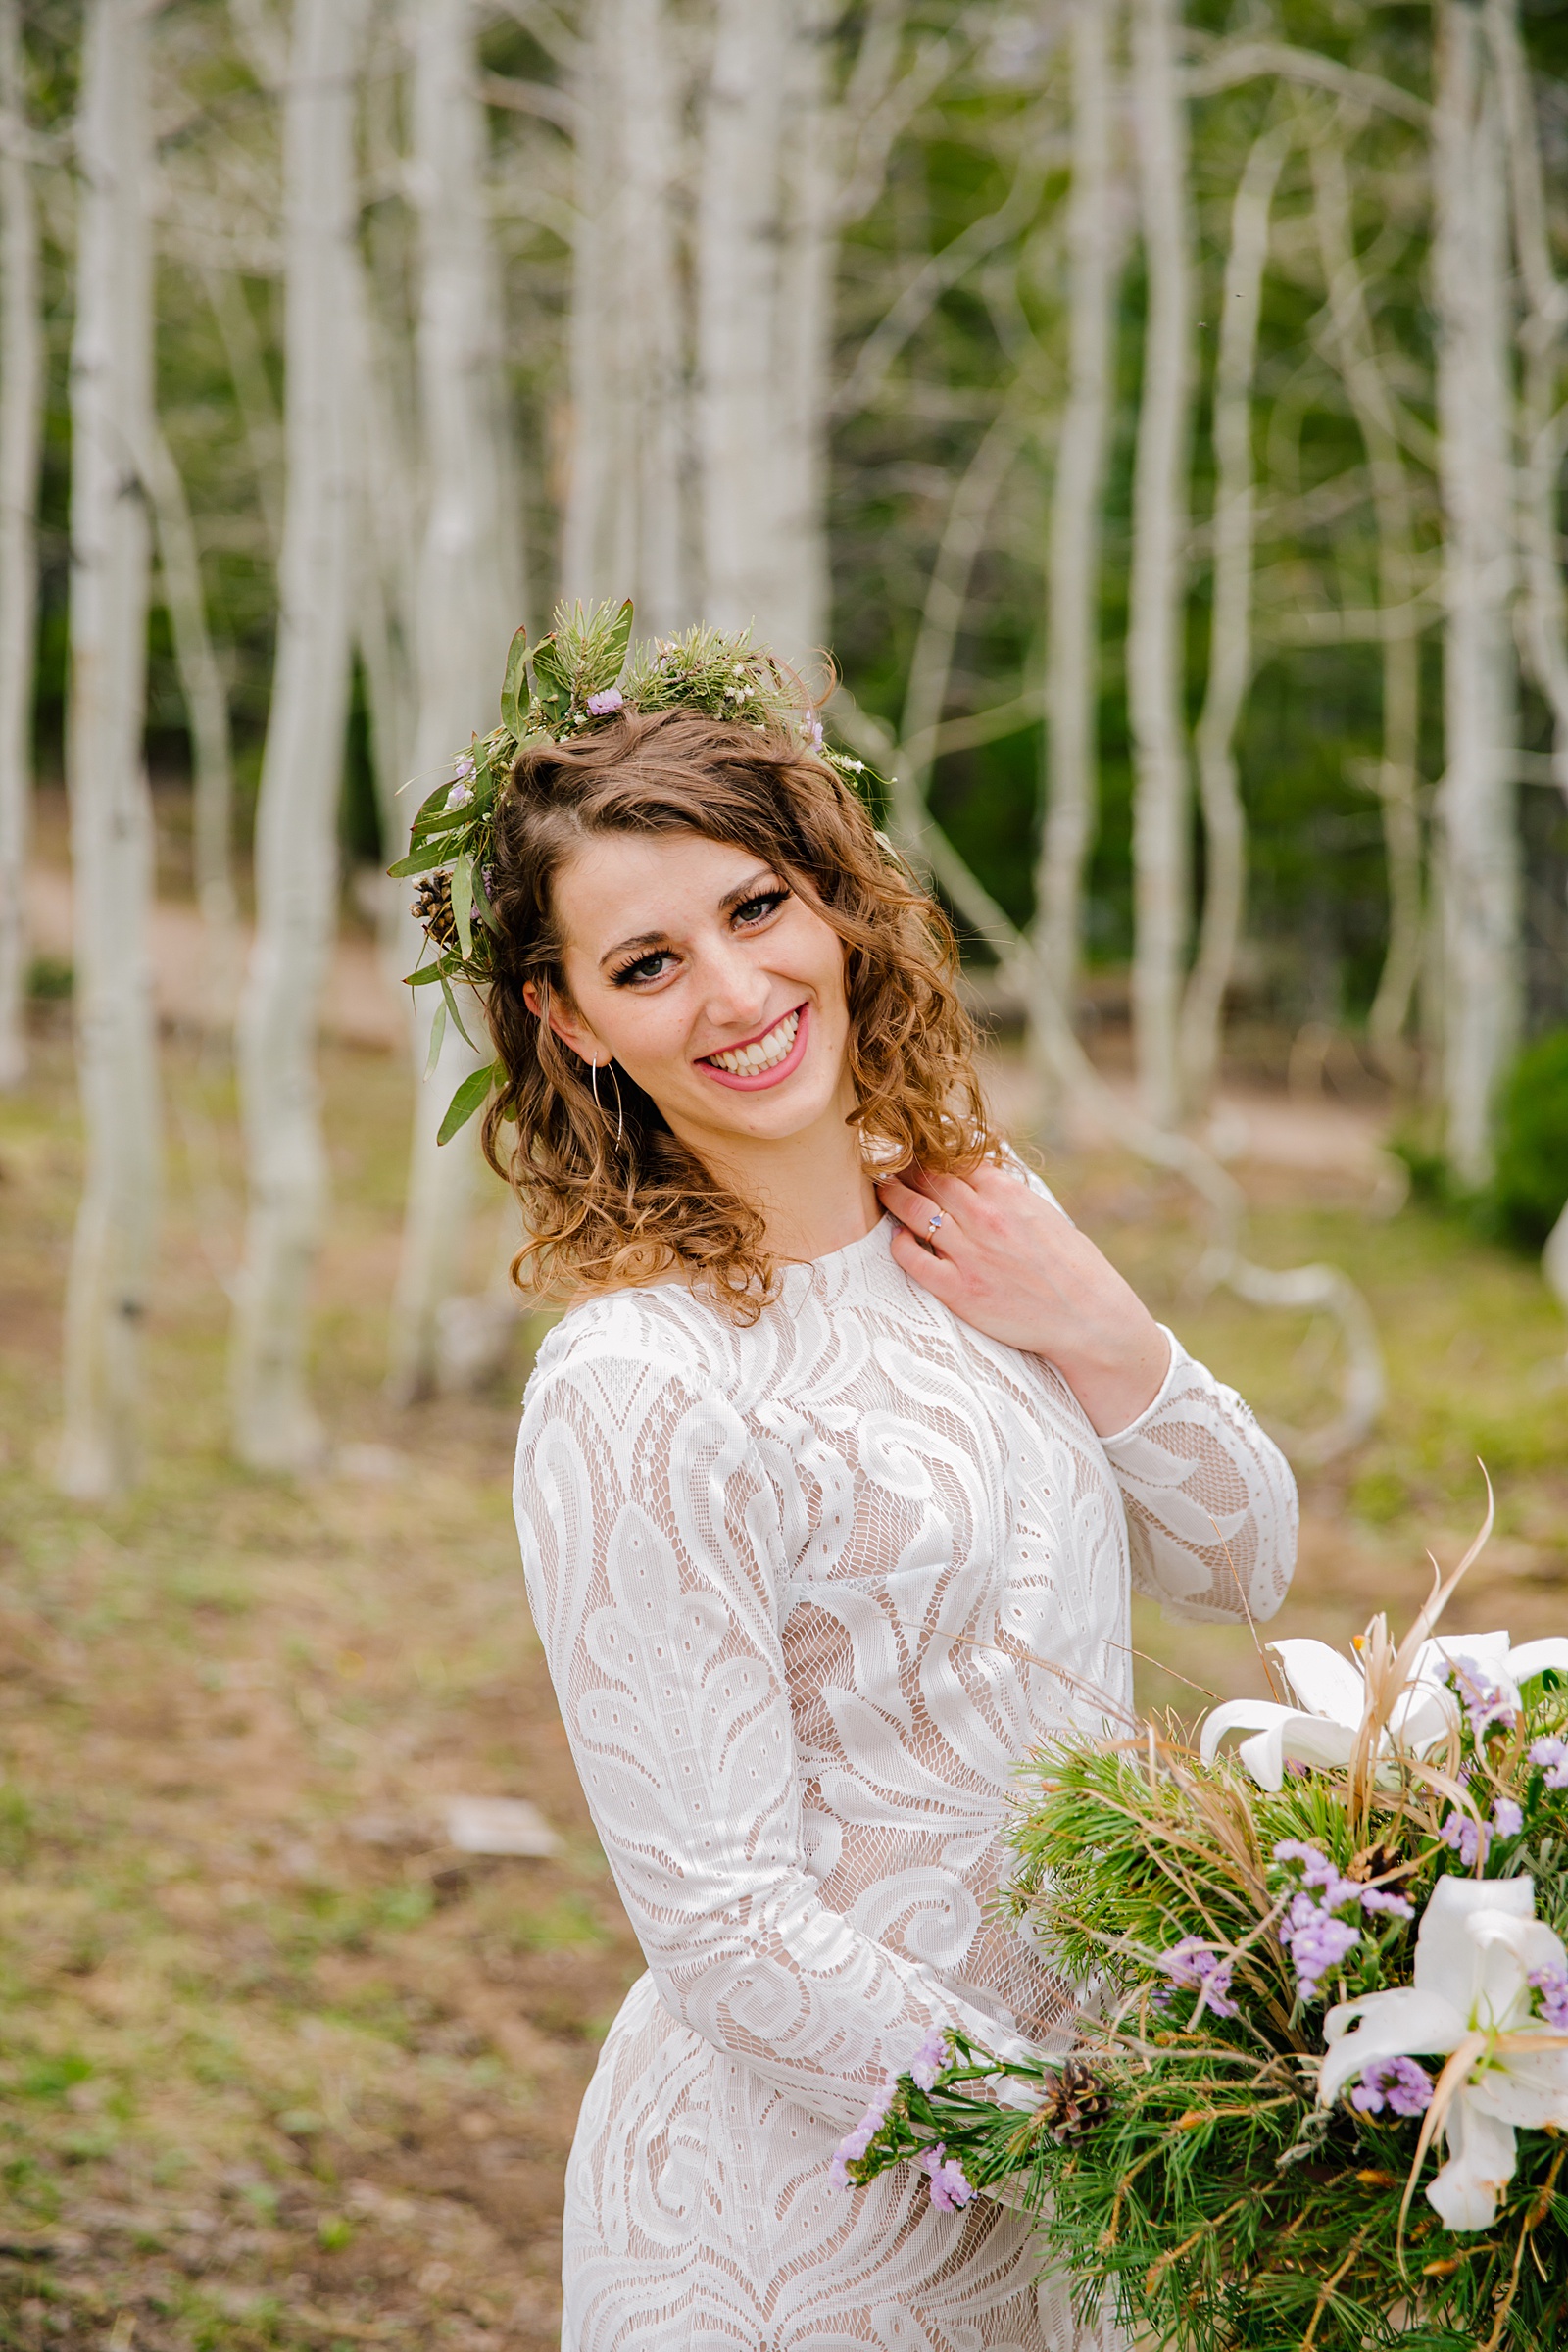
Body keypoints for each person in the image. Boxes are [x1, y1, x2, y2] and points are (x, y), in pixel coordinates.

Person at [473, 644, 1298, 2351]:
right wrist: (1079, 2140)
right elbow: (720, 1914)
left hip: (1097, 2173)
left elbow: (1245, 1565)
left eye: (756, 907)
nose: (731, 991)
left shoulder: (976, 1222)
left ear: (836, 903)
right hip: (816, 2215)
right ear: (571, 1020)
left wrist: (1098, 1320)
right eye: (646, 962)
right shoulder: (639, 1386)